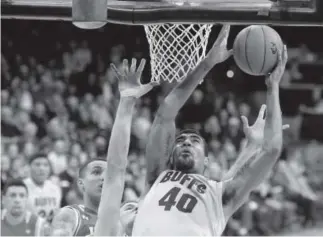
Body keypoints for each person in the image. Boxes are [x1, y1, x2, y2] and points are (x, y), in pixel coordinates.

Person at [131, 28, 289, 236]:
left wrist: (273, 87)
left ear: (206, 161)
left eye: (194, 140)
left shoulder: (221, 195)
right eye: (181, 140)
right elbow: (165, 115)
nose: (186, 142)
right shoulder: (157, 176)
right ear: (170, 154)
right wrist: (207, 63)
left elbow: (271, 150)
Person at [50, 58, 155, 237]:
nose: (104, 178)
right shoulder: (70, 215)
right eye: (97, 172)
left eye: (107, 173)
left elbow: (118, 165)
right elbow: (117, 161)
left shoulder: (126, 218)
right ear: (80, 183)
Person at [93, 58, 156, 236]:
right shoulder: (107, 231)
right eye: (129, 206)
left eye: (137, 207)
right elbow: (116, 169)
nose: (137, 209)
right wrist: (127, 102)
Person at [24, 153, 62, 223]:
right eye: (37, 165)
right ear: (29, 167)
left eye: (45, 165)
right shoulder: (22, 187)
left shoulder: (55, 188)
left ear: (50, 169)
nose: (42, 168)